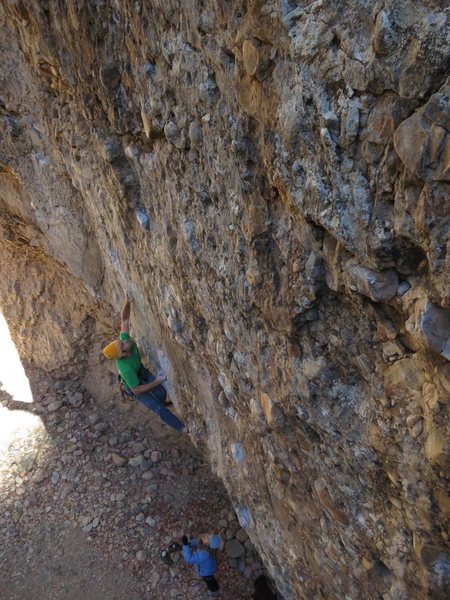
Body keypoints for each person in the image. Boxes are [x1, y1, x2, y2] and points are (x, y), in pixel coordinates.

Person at [102, 294, 187, 432]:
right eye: (122, 344)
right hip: (134, 387)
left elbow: (124, 321)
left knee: (160, 392)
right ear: (123, 354)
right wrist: (156, 381)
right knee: (158, 408)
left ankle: (161, 402)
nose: (125, 340)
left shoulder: (126, 342)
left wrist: (127, 300)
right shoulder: (126, 369)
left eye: (121, 341)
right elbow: (136, 389)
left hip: (140, 372)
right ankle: (182, 428)